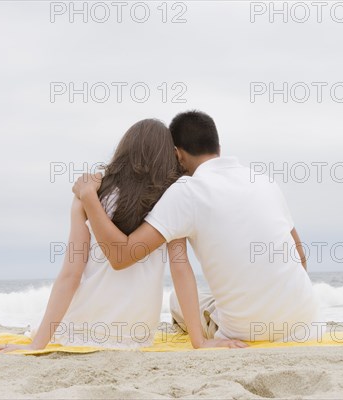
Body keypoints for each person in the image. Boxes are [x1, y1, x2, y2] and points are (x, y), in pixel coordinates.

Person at [0, 118, 242, 354]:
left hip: (82, 329)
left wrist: (36, 345)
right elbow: (181, 269)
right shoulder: (170, 200)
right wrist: (199, 341)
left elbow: (70, 276)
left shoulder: (92, 195)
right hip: (136, 335)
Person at [73, 110, 322, 348]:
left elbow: (122, 256)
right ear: (219, 148)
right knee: (212, 298)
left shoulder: (185, 192)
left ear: (177, 155)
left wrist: (88, 196)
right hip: (306, 321)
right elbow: (299, 254)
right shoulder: (264, 181)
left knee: (176, 303)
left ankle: (202, 333)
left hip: (244, 332)